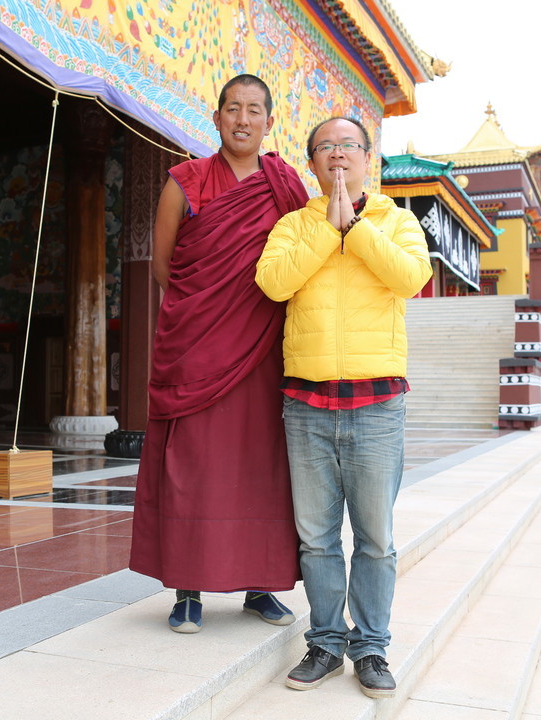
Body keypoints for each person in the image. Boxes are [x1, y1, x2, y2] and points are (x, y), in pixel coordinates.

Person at [255, 117, 432, 697]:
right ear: (311, 162)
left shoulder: (396, 221)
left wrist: (353, 227)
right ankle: (327, 643)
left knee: (376, 537)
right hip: (306, 404)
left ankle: (373, 647)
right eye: (325, 147)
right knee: (317, 537)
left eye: (348, 145)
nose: (337, 154)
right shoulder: (293, 224)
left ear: (367, 158)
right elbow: (274, 282)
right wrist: (325, 231)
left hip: (377, 404)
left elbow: (410, 277)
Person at [129, 74, 310, 633]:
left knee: (262, 464)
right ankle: (187, 589)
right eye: (233, 108)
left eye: (255, 109)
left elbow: (304, 255)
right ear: (216, 117)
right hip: (200, 346)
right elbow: (164, 269)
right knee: (195, 464)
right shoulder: (184, 183)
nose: (243, 119)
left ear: (269, 122)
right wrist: (205, 314)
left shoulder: (285, 184)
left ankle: (260, 585)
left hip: (262, 347)